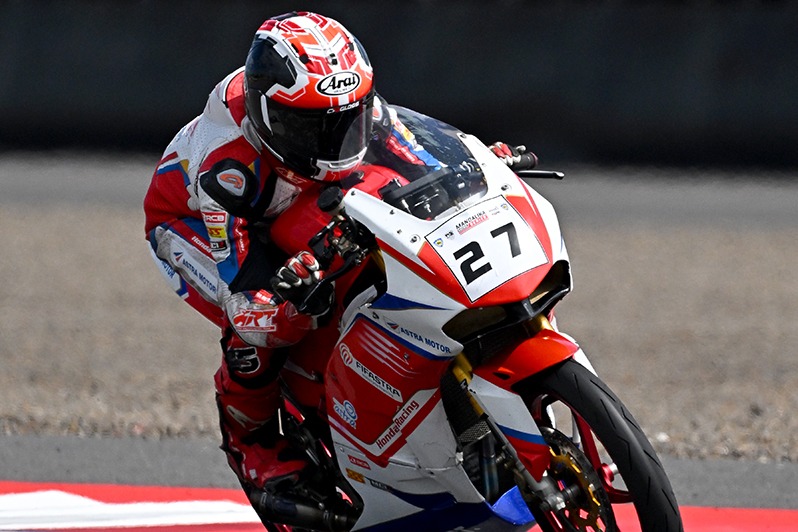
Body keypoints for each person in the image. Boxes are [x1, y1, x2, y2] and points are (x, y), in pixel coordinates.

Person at [143, 10, 535, 524]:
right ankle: (253, 445)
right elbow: (244, 294)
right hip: (194, 225)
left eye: (347, 121)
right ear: (269, 117)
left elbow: (419, 157)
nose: (334, 141)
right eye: (309, 127)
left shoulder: (352, 104)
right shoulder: (228, 169)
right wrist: (279, 298)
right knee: (270, 324)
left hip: (300, 192)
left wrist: (476, 167)